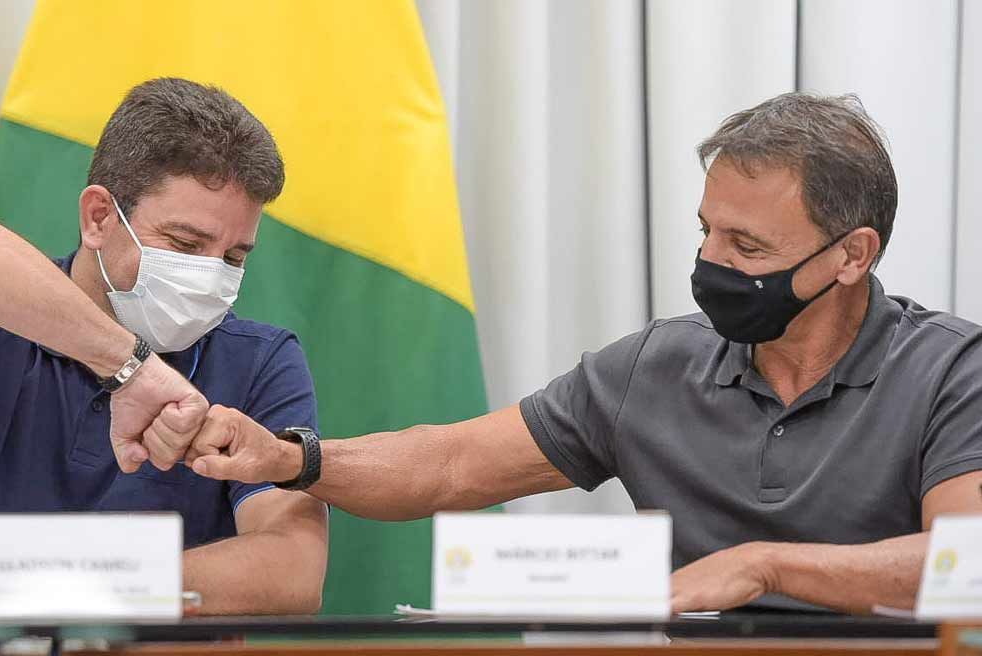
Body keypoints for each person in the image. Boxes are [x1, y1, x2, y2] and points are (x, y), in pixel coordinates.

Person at [183, 92, 982, 614]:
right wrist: (293, 461)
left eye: (746, 243)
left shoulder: (952, 371)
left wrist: (766, 567)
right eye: (705, 229)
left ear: (853, 255)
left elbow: (966, 567)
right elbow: (449, 466)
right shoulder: (655, 367)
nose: (711, 262)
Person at [0, 78, 327, 614]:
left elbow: (293, 570)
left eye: (234, 257)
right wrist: (133, 368)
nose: (209, 275)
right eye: (185, 244)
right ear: (99, 217)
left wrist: (70, 585)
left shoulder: (258, 361)